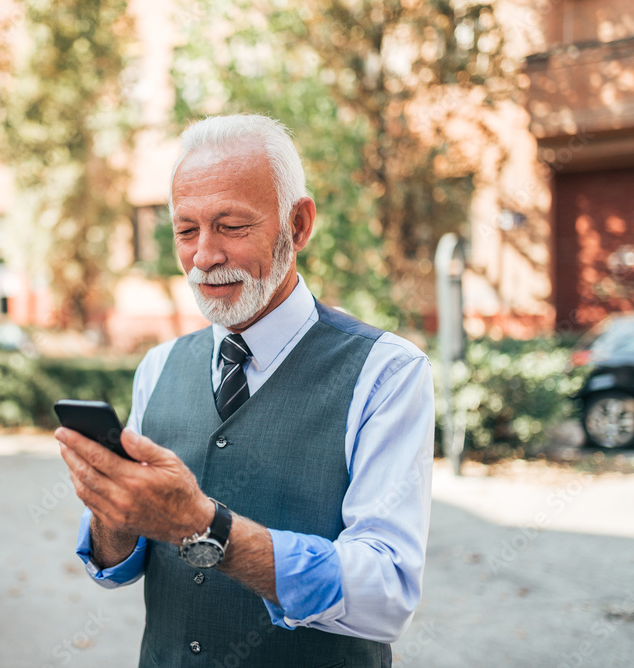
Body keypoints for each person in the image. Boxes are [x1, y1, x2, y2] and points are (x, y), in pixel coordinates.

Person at [56, 114, 433, 667]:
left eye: (231, 226)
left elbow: (387, 592)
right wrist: (111, 512)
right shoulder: (158, 367)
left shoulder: (387, 372)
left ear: (298, 225)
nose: (204, 256)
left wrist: (206, 529)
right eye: (187, 230)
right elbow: (117, 567)